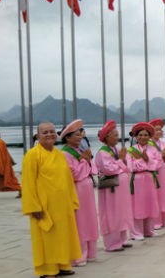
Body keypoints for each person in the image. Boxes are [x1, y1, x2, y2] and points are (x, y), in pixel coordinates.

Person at [21, 122, 81, 277]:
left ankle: (63, 264)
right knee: (46, 238)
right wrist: (33, 207)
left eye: (52, 132)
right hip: (44, 205)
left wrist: (73, 201)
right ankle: (47, 270)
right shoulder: (32, 155)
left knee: (62, 236)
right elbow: (28, 183)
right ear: (38, 136)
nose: (49, 135)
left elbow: (67, 180)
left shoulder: (59, 154)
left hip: (62, 205)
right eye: (45, 132)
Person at [60, 119, 98, 267]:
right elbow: (73, 174)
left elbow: (93, 170)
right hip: (76, 190)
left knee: (89, 219)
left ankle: (90, 251)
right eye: (76, 135)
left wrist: (87, 160)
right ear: (67, 138)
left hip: (86, 189)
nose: (80, 137)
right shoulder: (65, 154)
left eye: (80, 134)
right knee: (80, 221)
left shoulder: (79, 151)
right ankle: (78, 255)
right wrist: (84, 161)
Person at [95, 120, 134, 252]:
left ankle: (122, 239)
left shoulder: (115, 150)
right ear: (106, 137)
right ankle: (112, 243)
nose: (117, 138)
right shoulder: (102, 152)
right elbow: (108, 169)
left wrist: (122, 161)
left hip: (121, 187)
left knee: (122, 212)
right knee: (111, 213)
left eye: (117, 135)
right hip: (111, 188)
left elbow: (126, 165)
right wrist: (121, 161)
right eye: (114, 135)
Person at [127, 122, 160, 240]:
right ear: (135, 137)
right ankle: (136, 232)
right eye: (140, 135)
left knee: (150, 203)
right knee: (138, 205)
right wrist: (144, 161)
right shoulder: (131, 150)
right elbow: (130, 167)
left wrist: (147, 160)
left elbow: (158, 163)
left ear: (149, 136)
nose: (143, 137)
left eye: (146, 135)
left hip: (149, 178)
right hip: (137, 179)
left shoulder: (153, 149)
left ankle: (149, 230)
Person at [148, 118, 165, 229]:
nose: (159, 132)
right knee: (156, 195)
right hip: (155, 171)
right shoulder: (149, 144)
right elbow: (149, 159)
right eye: (156, 130)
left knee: (164, 194)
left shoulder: (163, 143)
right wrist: (161, 155)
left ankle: (163, 219)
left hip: (163, 170)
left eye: (160, 130)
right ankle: (156, 221)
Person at [0, 133, 21, 197]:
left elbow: (0, 156)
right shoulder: (1, 142)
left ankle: (21, 190)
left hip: (2, 166)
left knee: (9, 182)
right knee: (8, 181)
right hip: (4, 164)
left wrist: (0, 167)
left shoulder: (0, 143)